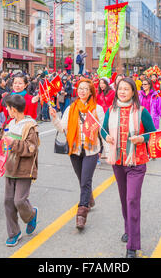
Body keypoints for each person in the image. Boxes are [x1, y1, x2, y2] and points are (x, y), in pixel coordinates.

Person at [100, 78, 156, 258]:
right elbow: (103, 129)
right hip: (117, 162)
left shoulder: (142, 112)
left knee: (132, 199)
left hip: (136, 163)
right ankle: (128, 229)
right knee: (124, 199)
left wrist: (142, 138)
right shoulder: (111, 110)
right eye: (120, 89)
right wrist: (106, 137)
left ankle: (132, 245)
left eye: (126, 89)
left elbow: (153, 133)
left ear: (133, 92)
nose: (122, 92)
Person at [0, 94, 39, 246]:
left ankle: (31, 214)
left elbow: (31, 148)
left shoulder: (30, 126)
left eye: (7, 108)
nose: (7, 111)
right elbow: (2, 138)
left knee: (19, 200)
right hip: (9, 167)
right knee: (8, 202)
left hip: (24, 169)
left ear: (13, 110)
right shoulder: (10, 123)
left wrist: (13, 143)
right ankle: (14, 233)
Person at [49, 78, 104, 230]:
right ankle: (90, 199)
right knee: (82, 180)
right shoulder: (71, 108)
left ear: (91, 91)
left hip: (91, 150)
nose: (82, 91)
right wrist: (54, 117)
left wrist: (108, 150)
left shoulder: (97, 109)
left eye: (86, 89)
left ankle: (82, 213)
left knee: (86, 181)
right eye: (80, 88)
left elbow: (103, 131)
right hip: (74, 150)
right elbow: (62, 128)